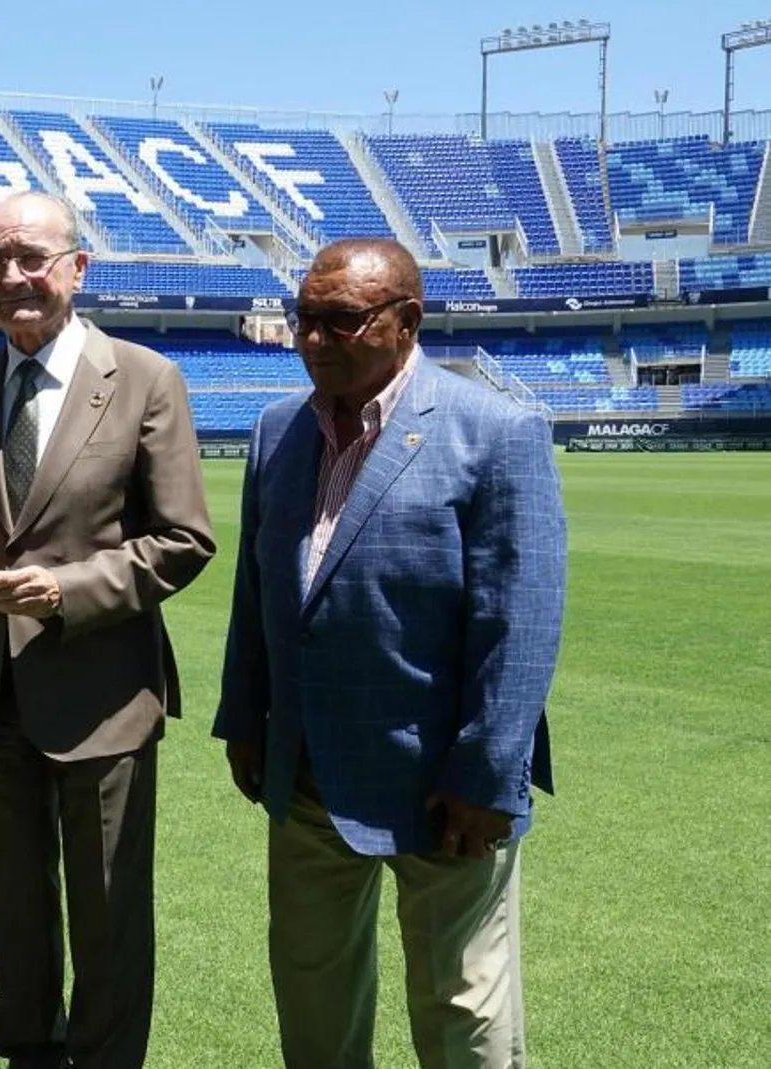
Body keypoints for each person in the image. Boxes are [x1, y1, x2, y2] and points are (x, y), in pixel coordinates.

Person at [213, 238, 567, 1069]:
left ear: (407, 322)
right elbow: (257, 592)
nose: (312, 340)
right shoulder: (276, 432)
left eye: (340, 321)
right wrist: (246, 715)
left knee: (462, 1011)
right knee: (313, 1000)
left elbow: (520, 622)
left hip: (445, 787)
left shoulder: (497, 432)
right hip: (306, 777)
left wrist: (486, 775)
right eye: (302, 319)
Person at [0, 190, 216, 1069]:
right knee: (12, 905)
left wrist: (67, 590)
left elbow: (184, 539)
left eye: (31, 258)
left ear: (78, 267)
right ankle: (29, 1054)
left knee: (109, 911)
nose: (13, 277)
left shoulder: (148, 379)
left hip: (102, 695)